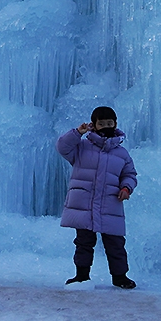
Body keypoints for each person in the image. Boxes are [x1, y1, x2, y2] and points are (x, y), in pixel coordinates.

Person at [56, 105, 138, 289]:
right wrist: (78, 132)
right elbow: (62, 147)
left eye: (110, 123)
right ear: (94, 125)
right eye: (102, 124)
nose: (106, 126)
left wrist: (126, 188)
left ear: (116, 124)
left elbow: (130, 175)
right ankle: (81, 276)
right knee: (83, 243)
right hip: (84, 205)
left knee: (116, 244)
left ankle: (120, 277)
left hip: (110, 204)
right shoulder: (82, 147)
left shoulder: (122, 153)